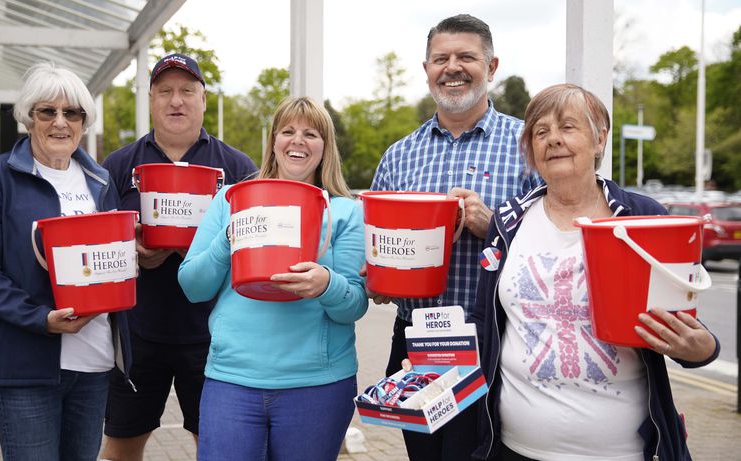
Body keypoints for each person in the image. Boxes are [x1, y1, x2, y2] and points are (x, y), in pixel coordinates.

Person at [470, 83, 720, 461]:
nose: (553, 139)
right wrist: (434, 361)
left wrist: (702, 349)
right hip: (514, 449)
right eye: (541, 132)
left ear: (599, 139)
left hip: (620, 452)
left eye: (568, 127)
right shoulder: (508, 222)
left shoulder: (644, 218)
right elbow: (482, 321)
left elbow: (681, 321)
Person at [368, 13, 539, 461]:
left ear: (492, 66)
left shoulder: (528, 144)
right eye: (440, 58)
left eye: (467, 57)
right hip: (414, 340)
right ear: (426, 69)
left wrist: (494, 226)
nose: (453, 67)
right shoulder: (399, 155)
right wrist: (378, 277)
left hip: (494, 339)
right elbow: (378, 247)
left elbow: (552, 245)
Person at [0, 62, 132, 460]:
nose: (60, 122)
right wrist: (40, 319)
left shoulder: (100, 182)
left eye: (72, 113)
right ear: (28, 118)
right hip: (24, 365)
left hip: (94, 361)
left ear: (84, 123)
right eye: (47, 111)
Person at [178, 96, 367, 461]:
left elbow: (353, 306)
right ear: (273, 141)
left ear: (325, 148)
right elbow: (192, 286)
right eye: (288, 131)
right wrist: (227, 239)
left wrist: (326, 285)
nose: (298, 141)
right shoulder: (231, 202)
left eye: (311, 133)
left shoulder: (344, 212)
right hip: (232, 380)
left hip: (317, 386)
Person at [101, 53, 257, 460]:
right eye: (165, 91)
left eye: (187, 91)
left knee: (217, 447)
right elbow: (97, 248)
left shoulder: (238, 168)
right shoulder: (117, 167)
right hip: (137, 334)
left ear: (203, 100)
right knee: (120, 448)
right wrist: (131, 254)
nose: (176, 101)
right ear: (151, 100)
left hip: (214, 336)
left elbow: (256, 249)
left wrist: (209, 253)